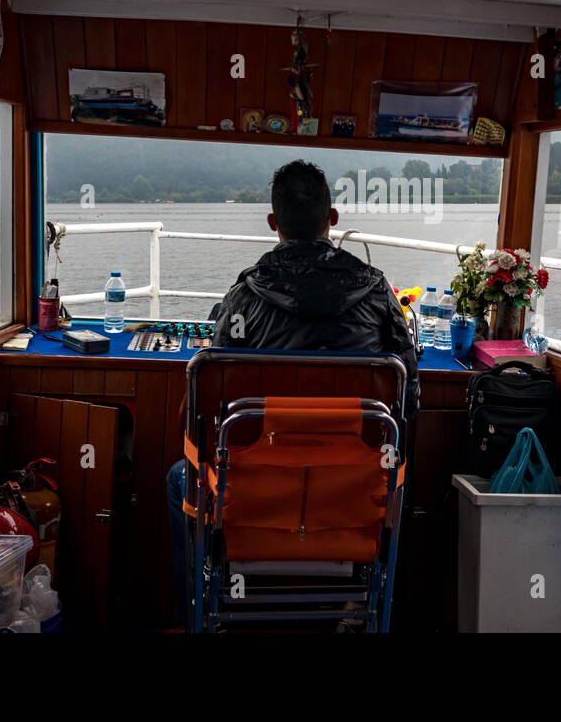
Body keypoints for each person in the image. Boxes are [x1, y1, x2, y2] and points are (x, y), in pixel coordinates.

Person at [165, 159, 419, 626]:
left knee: (181, 478)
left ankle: (201, 613)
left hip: (255, 488)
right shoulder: (379, 292)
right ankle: (357, 610)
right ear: (333, 218)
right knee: (402, 480)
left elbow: (209, 392)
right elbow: (409, 392)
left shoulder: (244, 297)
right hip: (354, 487)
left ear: (272, 223)